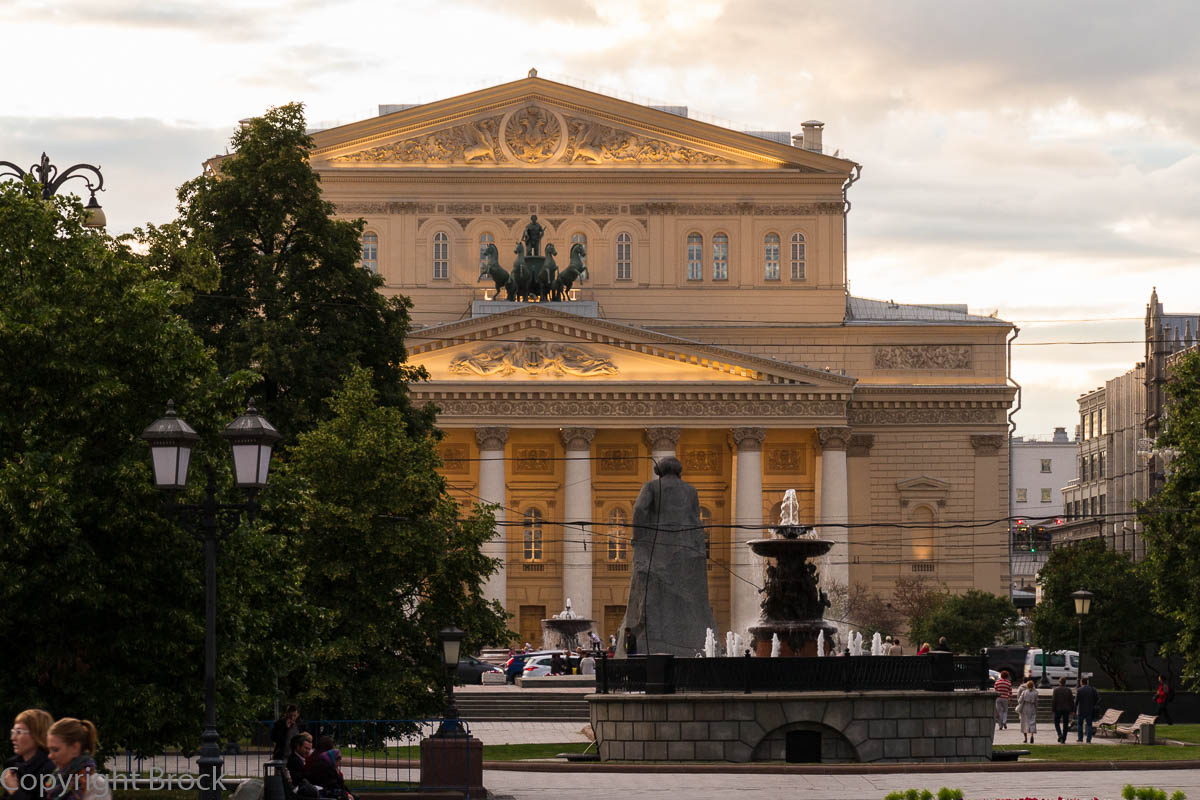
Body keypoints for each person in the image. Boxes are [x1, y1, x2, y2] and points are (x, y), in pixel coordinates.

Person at [43, 718, 107, 800]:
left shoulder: (95, 785)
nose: (50, 756)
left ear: (75, 748)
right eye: (49, 750)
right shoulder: (55, 779)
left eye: (55, 750)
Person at [2, 709, 56, 800]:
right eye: (13, 732)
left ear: (37, 735)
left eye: (19, 732)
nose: (13, 738)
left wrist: (14, 791)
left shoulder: (51, 769)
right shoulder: (12, 766)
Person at [305, 736, 353, 800]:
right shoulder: (324, 764)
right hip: (325, 793)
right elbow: (333, 785)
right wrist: (346, 793)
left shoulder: (314, 757)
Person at [1075, 675, 1100, 743]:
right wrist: (1093, 704)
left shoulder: (1079, 690)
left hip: (1081, 710)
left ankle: (1080, 738)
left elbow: (1076, 701)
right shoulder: (1092, 689)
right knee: (1089, 725)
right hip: (1089, 710)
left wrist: (1074, 710)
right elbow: (1097, 698)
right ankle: (1088, 739)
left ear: (1081, 682)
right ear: (1087, 682)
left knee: (1080, 725)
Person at [1052, 676, 1074, 743]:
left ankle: (1059, 734)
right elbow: (1071, 701)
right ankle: (1064, 738)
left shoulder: (1056, 690)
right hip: (1066, 709)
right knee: (1065, 724)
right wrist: (1072, 710)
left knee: (1056, 722)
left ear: (1059, 682)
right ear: (1065, 682)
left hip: (1058, 709)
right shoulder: (1068, 690)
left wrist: (1053, 709)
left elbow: (1054, 700)